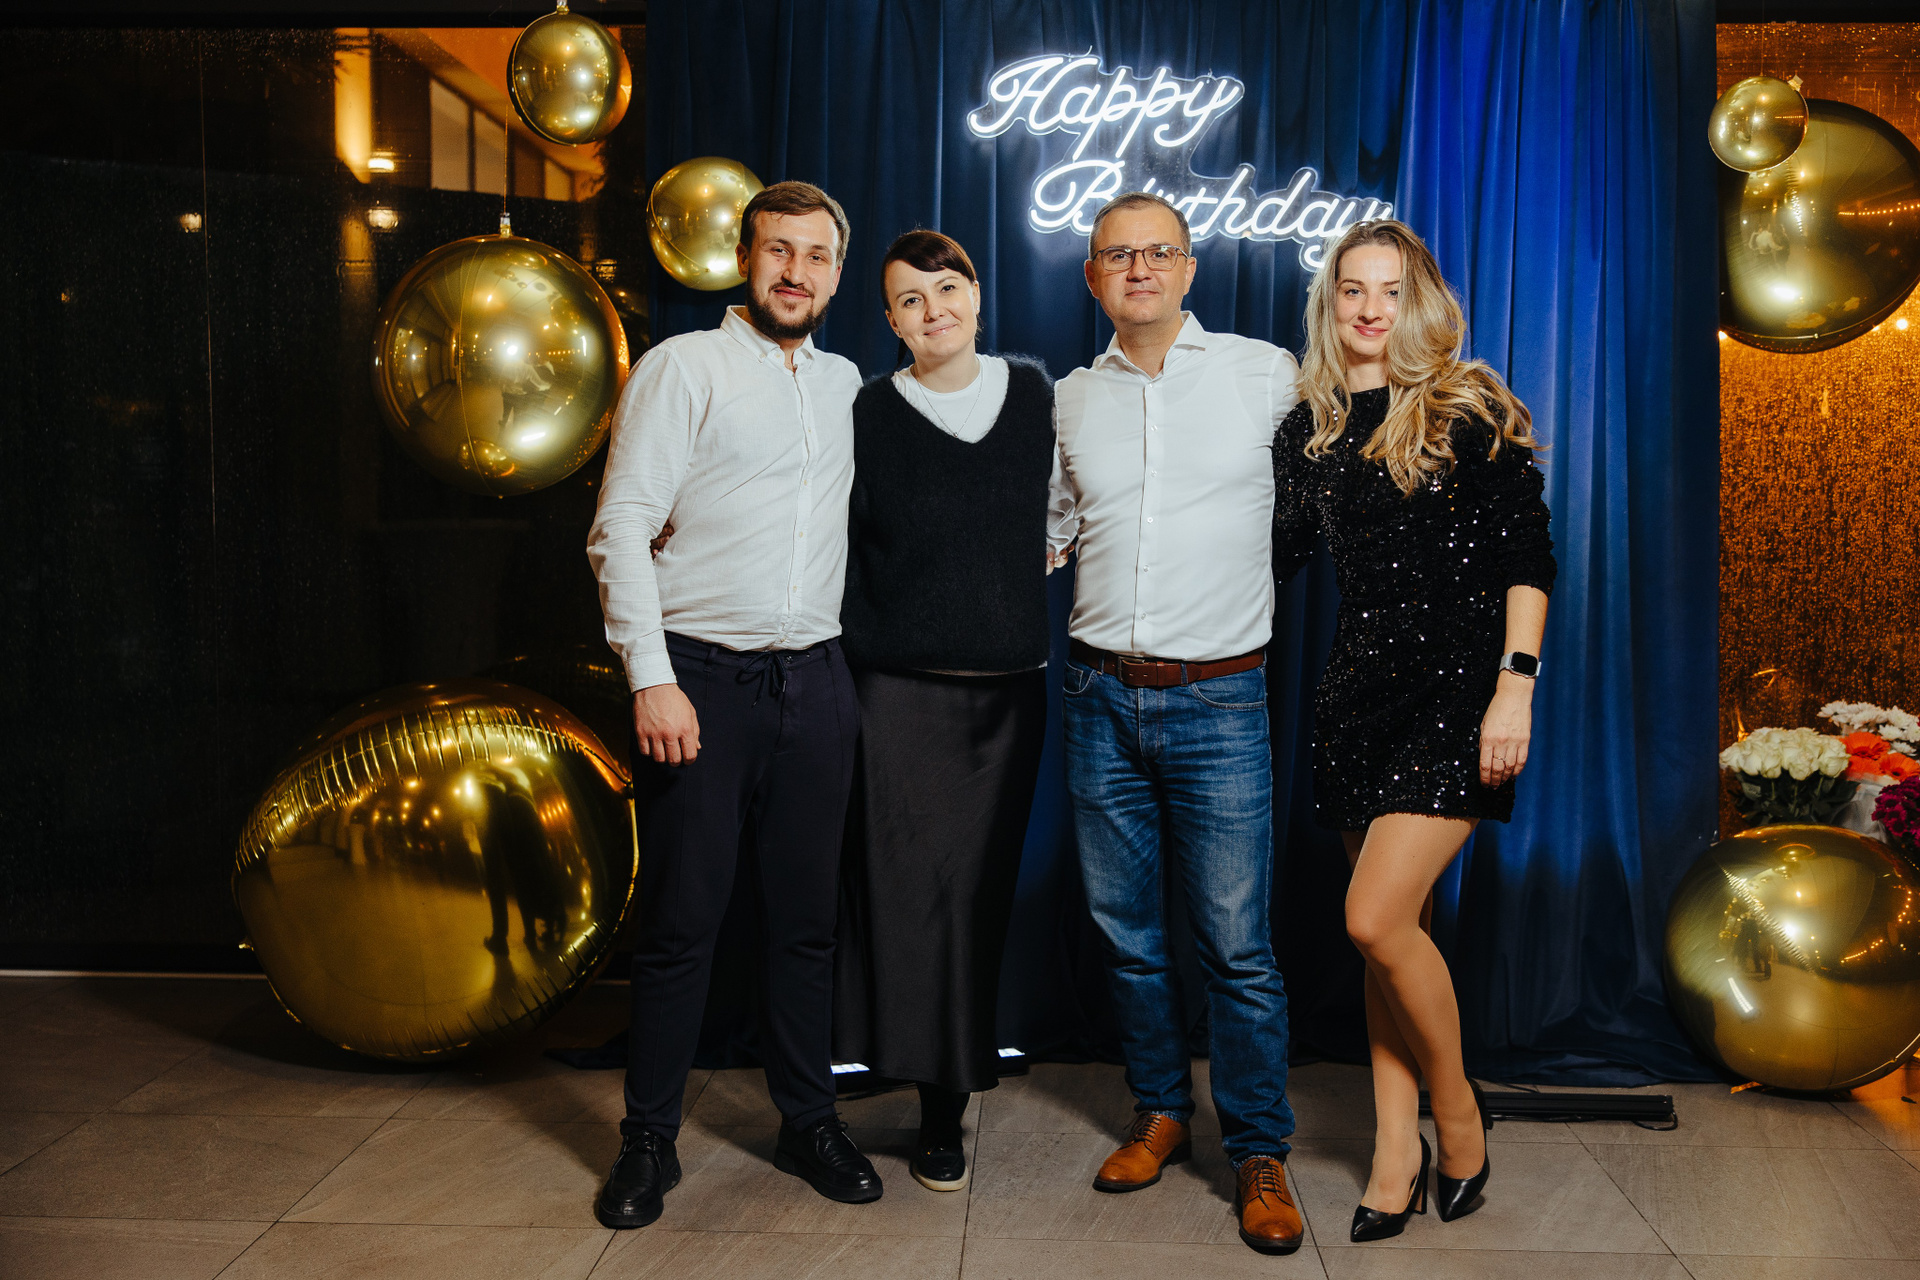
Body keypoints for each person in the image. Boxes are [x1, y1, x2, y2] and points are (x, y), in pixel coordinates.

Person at [585, 180, 882, 1230]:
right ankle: (648, 1140)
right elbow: (621, 525)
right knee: (682, 924)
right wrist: (651, 676)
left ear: (837, 274)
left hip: (819, 682)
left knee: (805, 926)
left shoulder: (848, 384)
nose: (796, 271)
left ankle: (809, 1120)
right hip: (700, 682)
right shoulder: (683, 367)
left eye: (816, 255)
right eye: (777, 250)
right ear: (745, 260)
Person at [1272, 218, 1555, 1241]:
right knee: (1396, 944)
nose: (1370, 308)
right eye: (1352, 289)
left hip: (1457, 698)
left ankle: (1459, 1114)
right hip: (1357, 701)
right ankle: (1397, 1151)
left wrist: (1514, 688)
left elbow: (1527, 554)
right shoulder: (1309, 431)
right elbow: (1266, 558)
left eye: (1390, 290)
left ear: (1419, 301)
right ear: (1331, 301)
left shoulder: (1466, 406)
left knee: (1373, 919)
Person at [1049, 191, 1305, 1255]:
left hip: (1220, 699)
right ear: (1093, 278)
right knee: (1127, 934)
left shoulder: (1266, 375)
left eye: (1159, 251)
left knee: (1237, 944)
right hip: (1097, 696)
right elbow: (1045, 533)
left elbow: (1354, 470)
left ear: (1190, 269)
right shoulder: (1069, 398)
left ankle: (1258, 1149)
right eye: (1118, 255)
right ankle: (1160, 1110)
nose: (1140, 268)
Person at [833, 230, 1055, 1194]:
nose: (934, 310)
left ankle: (944, 1100)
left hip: (1005, 699)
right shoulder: (867, 411)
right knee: (904, 899)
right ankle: (921, 1091)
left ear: (976, 295)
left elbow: (1076, 498)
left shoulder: (1038, 395)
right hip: (894, 694)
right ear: (891, 320)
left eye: (948, 288)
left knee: (971, 903)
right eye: (911, 299)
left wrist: (1047, 547)